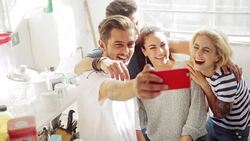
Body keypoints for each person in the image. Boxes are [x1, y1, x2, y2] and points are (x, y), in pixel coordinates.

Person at [76, 15, 167, 141]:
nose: (126, 51)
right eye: (118, 45)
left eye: (130, 44)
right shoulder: (91, 77)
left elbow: (136, 129)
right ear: (102, 45)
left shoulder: (126, 75)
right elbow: (112, 90)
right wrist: (136, 86)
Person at [135, 26, 208, 141]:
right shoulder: (143, 81)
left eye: (163, 45)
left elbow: (198, 107)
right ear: (144, 51)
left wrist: (187, 136)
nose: (160, 51)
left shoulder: (185, 69)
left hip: (192, 138)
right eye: (152, 47)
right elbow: (142, 120)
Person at [187, 29, 250, 141]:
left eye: (206, 50)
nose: (198, 53)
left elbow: (219, 113)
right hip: (214, 122)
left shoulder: (226, 79)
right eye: (196, 47)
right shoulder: (204, 64)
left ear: (217, 56)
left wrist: (204, 85)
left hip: (232, 131)